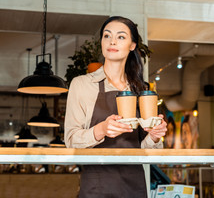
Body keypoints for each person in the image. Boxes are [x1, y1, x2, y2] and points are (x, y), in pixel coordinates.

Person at [65, 16, 167, 198]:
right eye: (107, 36)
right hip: (96, 186)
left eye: (121, 37)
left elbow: (145, 149)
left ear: (132, 45)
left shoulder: (141, 89)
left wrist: (154, 137)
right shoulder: (81, 84)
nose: (112, 41)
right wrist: (101, 130)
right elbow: (71, 140)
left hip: (135, 186)